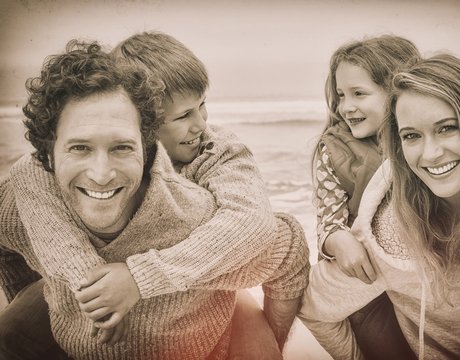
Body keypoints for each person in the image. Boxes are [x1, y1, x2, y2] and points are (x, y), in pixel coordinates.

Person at [0, 40, 309, 360]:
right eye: (183, 115)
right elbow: (18, 201)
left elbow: (252, 222)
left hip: (204, 273)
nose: (201, 124)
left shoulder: (215, 151)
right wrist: (81, 288)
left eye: (202, 105)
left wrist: (141, 277)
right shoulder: (49, 180)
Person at [299, 53, 460, 359]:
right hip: (370, 284)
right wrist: (334, 236)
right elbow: (315, 303)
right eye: (412, 135)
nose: (430, 153)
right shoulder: (389, 237)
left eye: (447, 128)